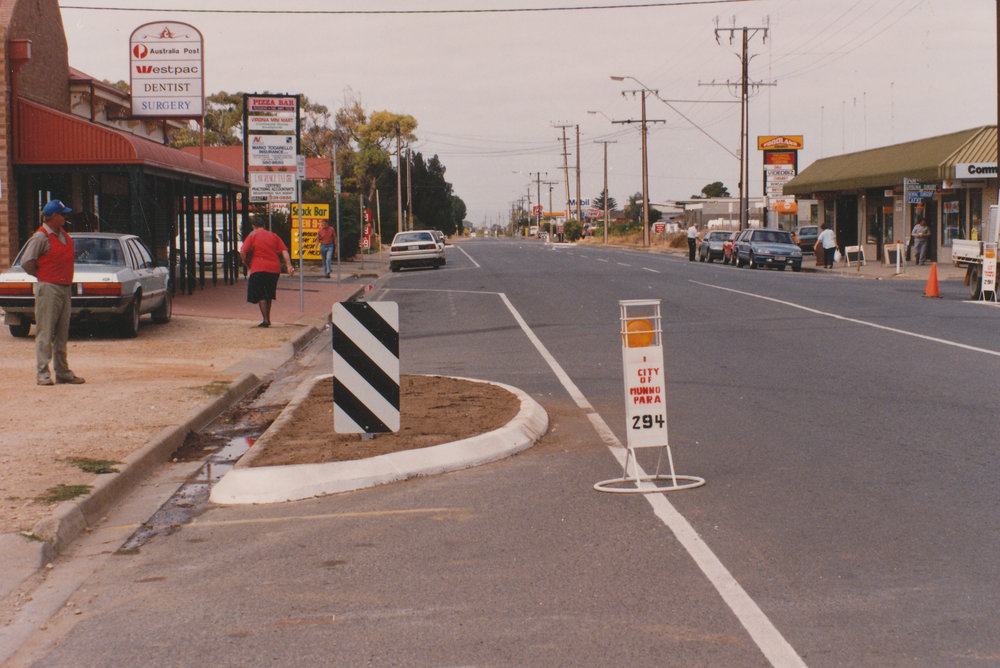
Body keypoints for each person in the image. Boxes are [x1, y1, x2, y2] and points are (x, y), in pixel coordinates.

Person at [20, 200, 85, 385]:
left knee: (62, 332)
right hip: (48, 287)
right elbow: (27, 261)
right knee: (45, 331)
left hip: (64, 287)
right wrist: (42, 275)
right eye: (62, 214)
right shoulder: (40, 237)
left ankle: (62, 371)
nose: (65, 217)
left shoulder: (62, 234)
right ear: (53, 217)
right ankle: (42, 373)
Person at [239, 218, 294, 328]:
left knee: (260, 294)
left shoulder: (252, 236)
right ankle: (267, 317)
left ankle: (265, 320)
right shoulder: (274, 236)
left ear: (253, 227)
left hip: (257, 267)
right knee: (269, 293)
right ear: (264, 225)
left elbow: (243, 251)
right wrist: (289, 265)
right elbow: (284, 250)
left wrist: (245, 261)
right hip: (274, 268)